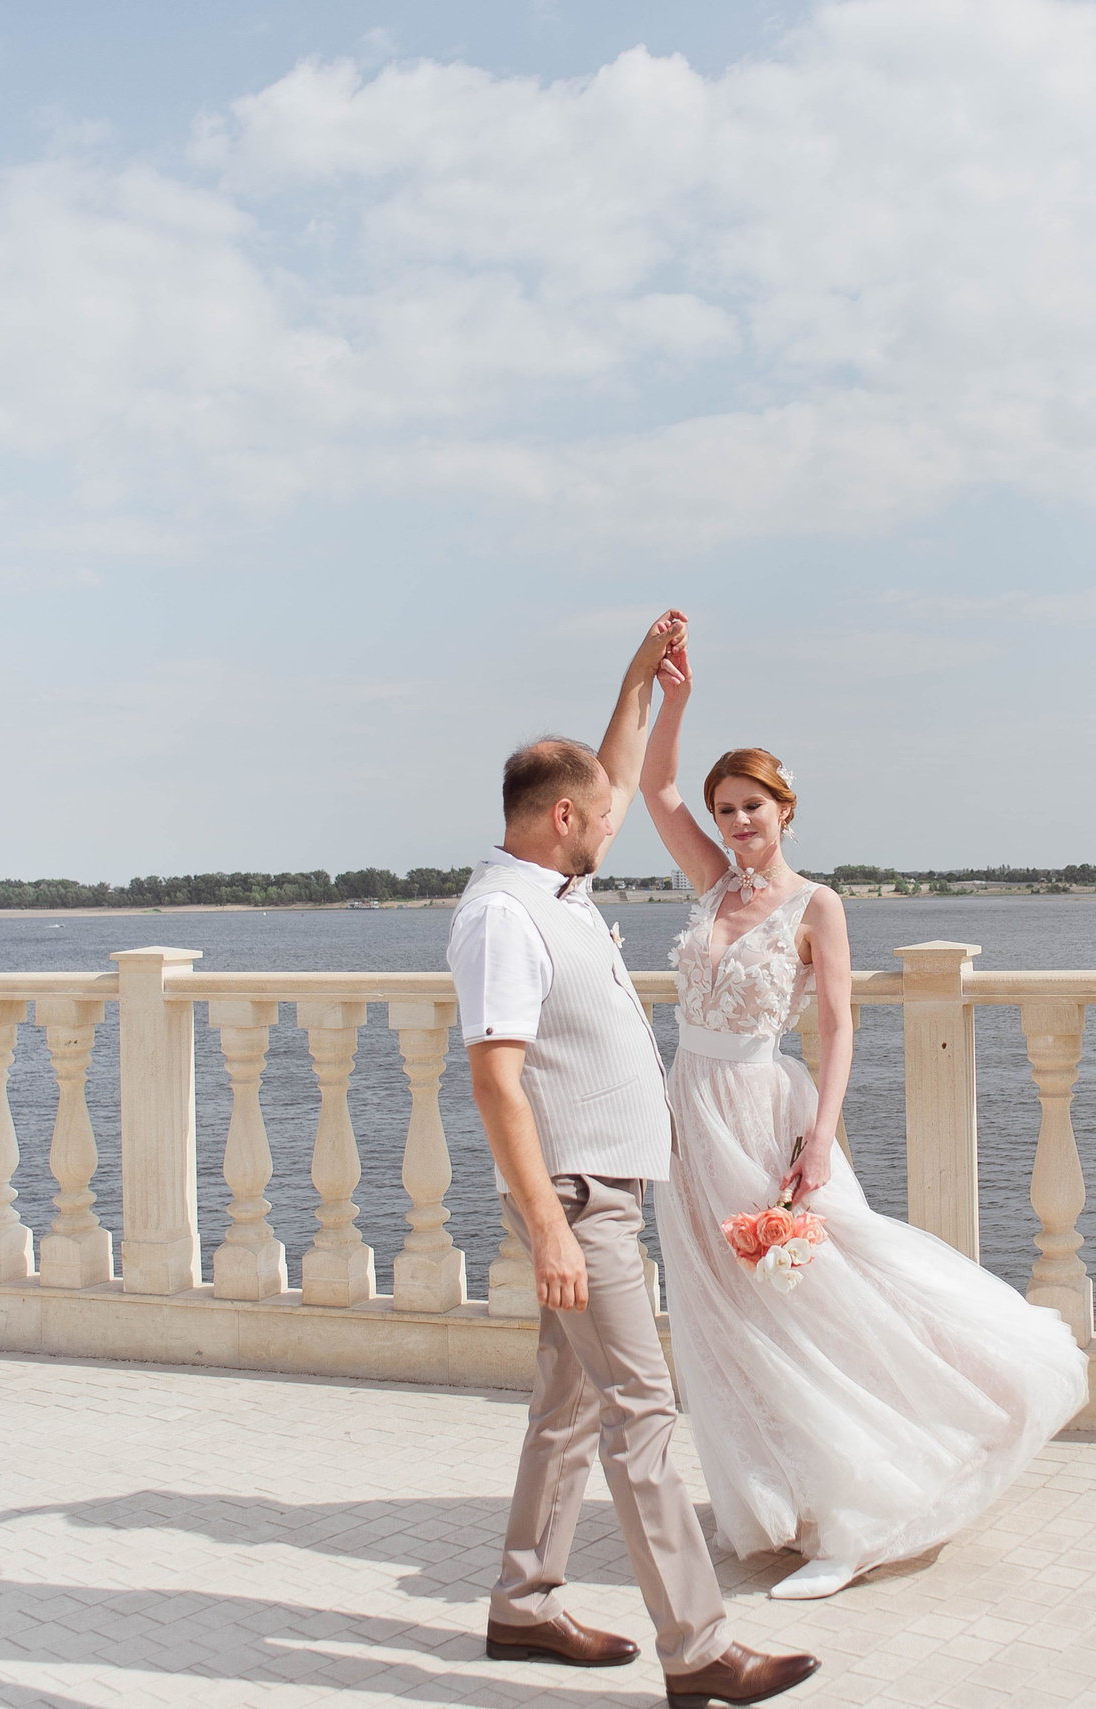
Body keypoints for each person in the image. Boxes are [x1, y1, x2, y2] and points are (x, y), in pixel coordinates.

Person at [638, 621, 1091, 1602]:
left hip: (766, 1117)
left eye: (750, 806)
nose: (734, 823)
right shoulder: (709, 885)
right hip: (690, 1122)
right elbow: (652, 788)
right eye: (724, 809)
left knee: (817, 1301)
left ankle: (862, 1509)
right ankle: (784, 1499)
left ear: (785, 808)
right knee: (722, 1316)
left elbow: (838, 1026)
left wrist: (816, 1135)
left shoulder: (816, 905)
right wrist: (668, 697)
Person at [453, 611, 818, 1709]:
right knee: (642, 1412)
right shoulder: (501, 919)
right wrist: (551, 1226)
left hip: (604, 1182)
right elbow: (494, 1080)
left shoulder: (556, 885)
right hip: (575, 1194)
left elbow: (609, 770)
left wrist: (637, 684)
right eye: (603, 812)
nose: (617, 816)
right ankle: (699, 1646)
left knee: (567, 1404)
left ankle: (522, 1607)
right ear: (563, 820)